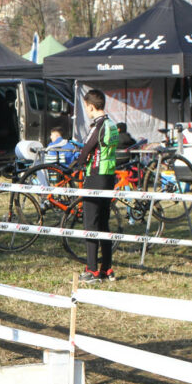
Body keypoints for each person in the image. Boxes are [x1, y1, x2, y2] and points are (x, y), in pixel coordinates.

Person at [74, 89, 119, 283]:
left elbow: (86, 149)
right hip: (109, 177)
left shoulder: (98, 126)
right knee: (103, 224)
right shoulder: (112, 124)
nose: (87, 111)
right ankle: (107, 268)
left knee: (90, 224)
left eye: (86, 108)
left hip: (95, 177)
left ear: (91, 107)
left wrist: (74, 167)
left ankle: (92, 270)